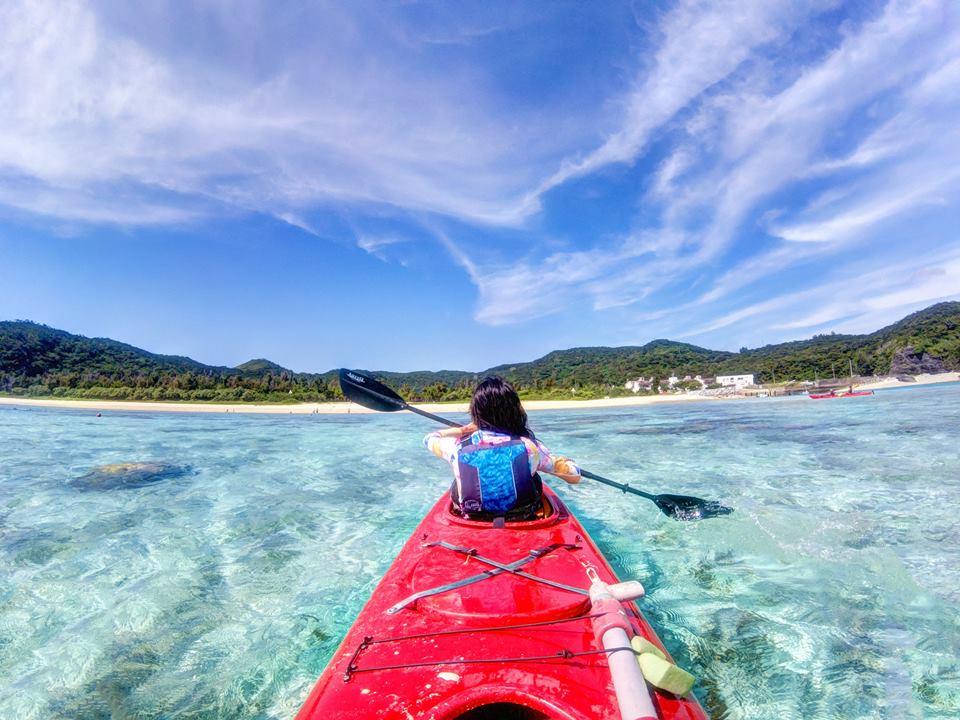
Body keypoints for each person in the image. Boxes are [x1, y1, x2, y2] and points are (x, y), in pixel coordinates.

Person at [423, 376, 581, 520]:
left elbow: (429, 439)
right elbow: (574, 477)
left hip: (474, 518)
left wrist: (464, 430)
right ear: (514, 412)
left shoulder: (456, 447)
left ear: (476, 413)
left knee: (457, 482)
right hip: (522, 516)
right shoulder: (530, 448)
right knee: (535, 478)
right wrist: (563, 462)